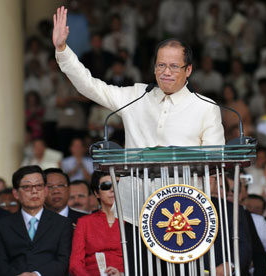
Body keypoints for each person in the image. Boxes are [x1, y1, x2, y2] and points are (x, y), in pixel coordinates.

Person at [53, 5, 224, 223]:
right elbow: (91, 87)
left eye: (174, 66)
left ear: (188, 70)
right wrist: (63, 50)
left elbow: (215, 164)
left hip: (184, 215)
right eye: (161, 65)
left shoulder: (205, 107)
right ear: (154, 68)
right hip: (134, 210)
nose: (166, 72)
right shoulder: (136, 95)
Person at [0, 165, 72, 276]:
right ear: (16, 193)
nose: (34, 191)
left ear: (45, 190)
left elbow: (63, 261)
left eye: (39, 186)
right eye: (27, 187)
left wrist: (37, 274)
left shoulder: (62, 224)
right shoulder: (2, 226)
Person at [69, 171, 123, 276]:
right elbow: (75, 264)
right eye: (106, 186)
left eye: (117, 184)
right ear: (96, 193)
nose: (113, 190)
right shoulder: (84, 222)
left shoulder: (133, 222)